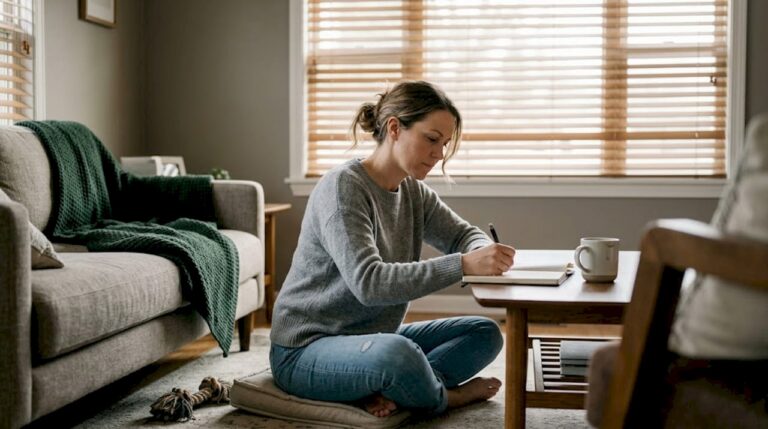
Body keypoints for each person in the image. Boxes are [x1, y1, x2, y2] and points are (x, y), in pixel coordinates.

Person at [269, 80, 516, 417]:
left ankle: (401, 388)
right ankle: (445, 397)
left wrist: (483, 251)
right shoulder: (343, 188)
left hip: (371, 337)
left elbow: (464, 235)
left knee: (485, 332)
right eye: (432, 139)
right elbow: (369, 284)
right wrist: (464, 265)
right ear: (395, 128)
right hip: (304, 349)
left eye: (444, 144)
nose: (439, 154)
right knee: (398, 355)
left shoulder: (413, 192)